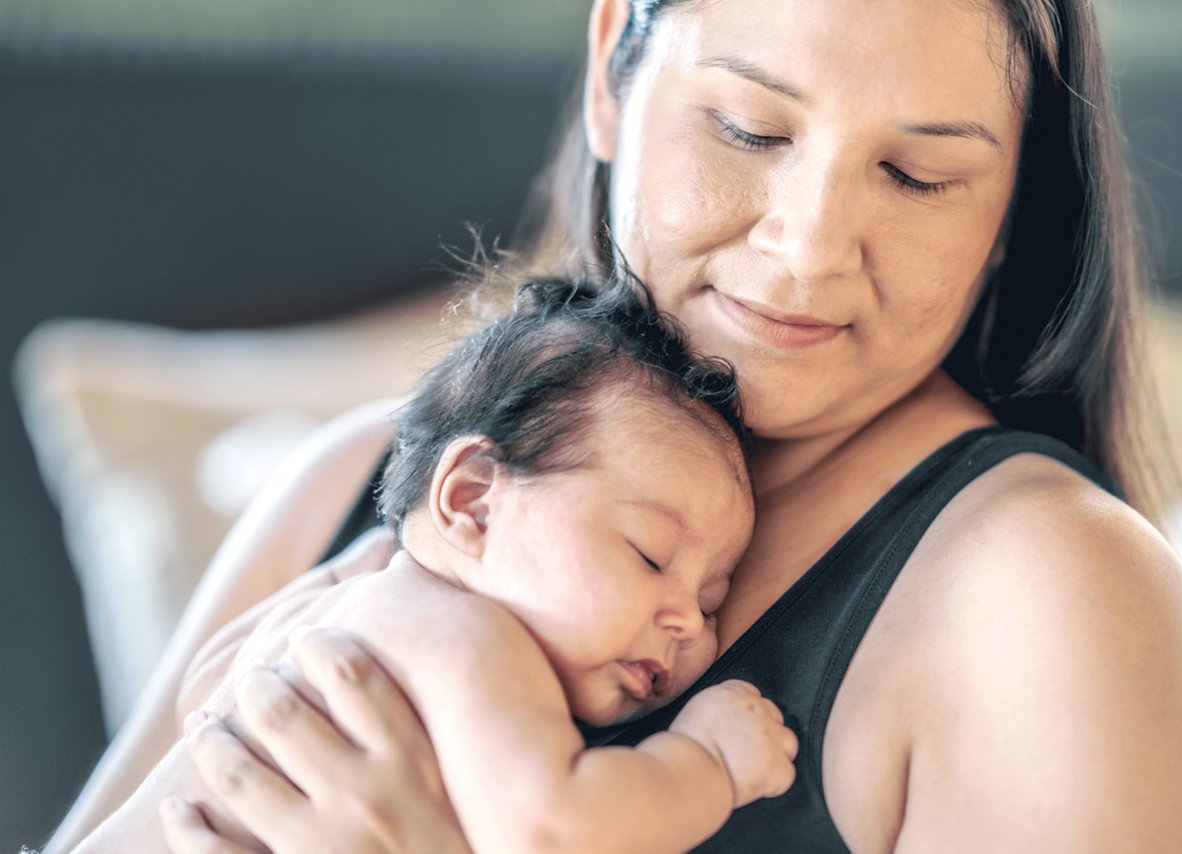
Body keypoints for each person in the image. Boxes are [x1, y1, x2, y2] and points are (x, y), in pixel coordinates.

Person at [50, 0, 1182, 851]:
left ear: (1009, 208)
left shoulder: (1044, 595)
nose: (805, 248)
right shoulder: (346, 484)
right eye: (748, 128)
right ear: (608, 74)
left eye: (915, 176)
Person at [72, 275, 799, 852]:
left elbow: (199, 692)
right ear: (474, 500)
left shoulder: (326, 605)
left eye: (710, 601)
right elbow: (554, 831)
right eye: (649, 556)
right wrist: (710, 761)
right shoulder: (468, 636)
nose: (686, 621)